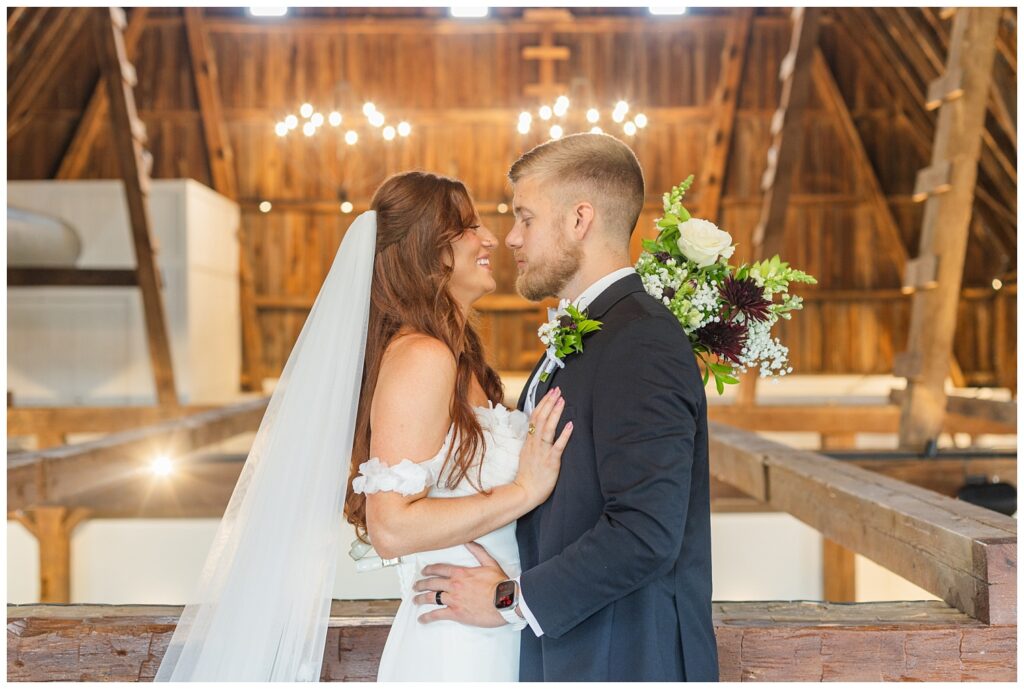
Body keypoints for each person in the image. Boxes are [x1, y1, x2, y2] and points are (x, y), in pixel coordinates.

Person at [154, 171, 570, 681]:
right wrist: (525, 489)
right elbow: (391, 527)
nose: (489, 239)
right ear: (427, 250)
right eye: (467, 227)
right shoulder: (422, 357)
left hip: (496, 626)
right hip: (457, 644)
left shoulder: (459, 360)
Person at [413, 133, 719, 681]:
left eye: (526, 218)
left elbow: (646, 531)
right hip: (574, 654)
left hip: (623, 661)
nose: (510, 239)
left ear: (580, 219)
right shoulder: (596, 333)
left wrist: (511, 599)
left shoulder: (641, 341)